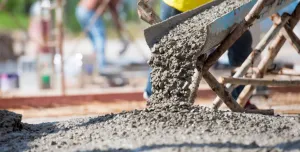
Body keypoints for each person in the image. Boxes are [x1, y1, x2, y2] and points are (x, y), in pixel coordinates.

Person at [144, 0, 256, 109]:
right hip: (179, 5)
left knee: (242, 42)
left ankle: (242, 98)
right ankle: (154, 99)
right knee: (166, 52)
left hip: (218, 7)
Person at [76, 0, 128, 86]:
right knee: (99, 37)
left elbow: (113, 12)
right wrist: (121, 33)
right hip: (88, 11)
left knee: (96, 43)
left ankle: (95, 67)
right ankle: (102, 68)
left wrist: (121, 34)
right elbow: (114, 11)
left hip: (81, 10)